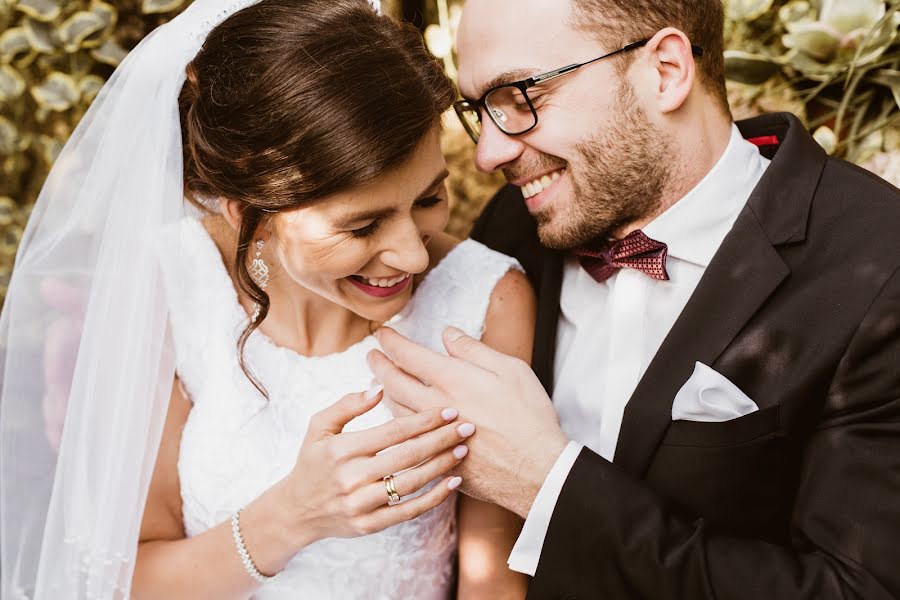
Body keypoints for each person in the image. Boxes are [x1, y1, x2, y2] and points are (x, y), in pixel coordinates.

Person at [0, 1, 533, 598]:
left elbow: (493, 584)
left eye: (430, 199)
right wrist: (294, 515)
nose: (411, 256)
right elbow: (130, 581)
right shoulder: (171, 285)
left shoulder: (488, 301)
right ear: (250, 214)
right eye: (362, 227)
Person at [368, 0, 900, 598]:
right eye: (480, 112)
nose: (489, 154)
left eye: (521, 98)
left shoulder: (879, 271)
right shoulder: (514, 227)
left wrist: (548, 486)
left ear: (665, 71)